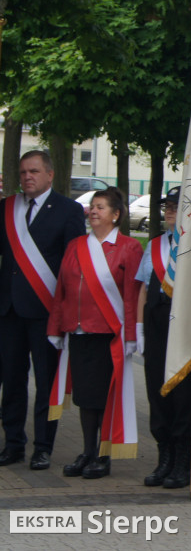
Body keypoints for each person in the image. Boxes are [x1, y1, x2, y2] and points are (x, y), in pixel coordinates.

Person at [47, 187, 143, 479]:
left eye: (100, 207)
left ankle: (104, 454)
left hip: (108, 334)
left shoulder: (129, 247)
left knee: (103, 397)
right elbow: (62, 289)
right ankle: (88, 451)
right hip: (77, 332)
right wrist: (56, 327)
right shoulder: (76, 245)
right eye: (92, 206)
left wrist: (130, 335)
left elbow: (131, 295)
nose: (93, 212)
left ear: (116, 215)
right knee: (85, 397)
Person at [0, 150, 86, 470]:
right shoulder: (7, 208)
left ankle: (43, 446)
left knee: (47, 382)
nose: (27, 177)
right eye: (23, 172)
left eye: (34, 171)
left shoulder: (68, 210)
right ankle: (13, 443)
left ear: (50, 174)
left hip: (46, 312)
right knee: (12, 379)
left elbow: (74, 265)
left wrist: (67, 312)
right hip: (8, 310)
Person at [134, 186, 191, 489]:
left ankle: (183, 460)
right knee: (157, 389)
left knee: (183, 393)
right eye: (167, 207)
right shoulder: (155, 245)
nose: (170, 211)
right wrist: (139, 328)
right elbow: (144, 288)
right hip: (157, 321)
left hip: (184, 324)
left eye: (175, 206)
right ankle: (164, 457)